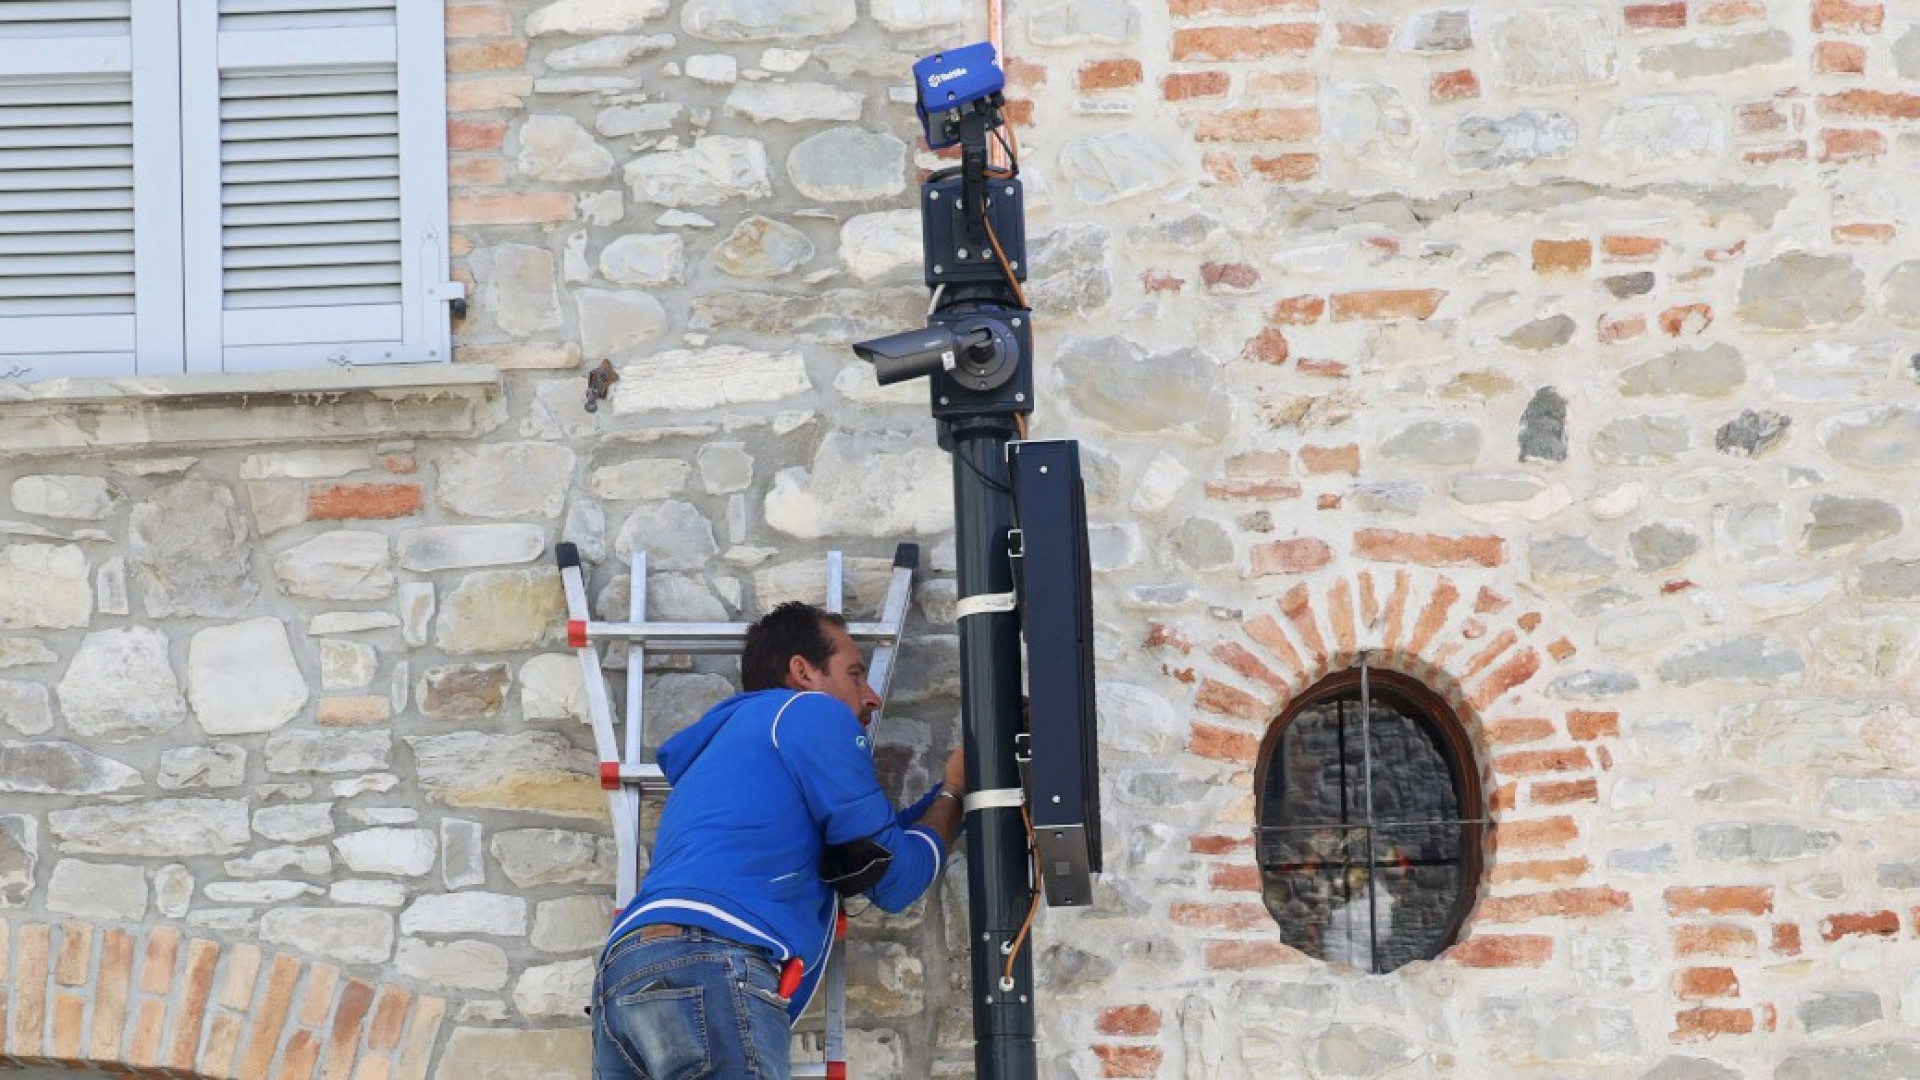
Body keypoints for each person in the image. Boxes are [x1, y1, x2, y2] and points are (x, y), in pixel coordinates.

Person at [591, 600, 967, 1080]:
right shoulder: (811, 712)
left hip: (622, 973)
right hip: (712, 959)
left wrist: (946, 799)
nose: (870, 697)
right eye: (854, 674)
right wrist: (957, 791)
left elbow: (874, 849)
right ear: (803, 673)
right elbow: (893, 879)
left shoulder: (728, 750)